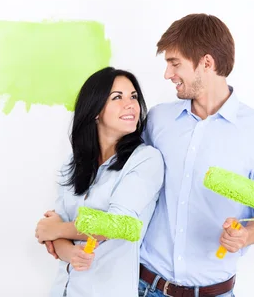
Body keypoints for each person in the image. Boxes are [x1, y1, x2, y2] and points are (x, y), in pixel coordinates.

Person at [137, 13, 254, 297]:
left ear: (207, 63)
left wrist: (246, 236)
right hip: (146, 286)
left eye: (174, 63)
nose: (167, 74)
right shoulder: (158, 120)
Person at [35, 67, 165, 297]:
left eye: (133, 96)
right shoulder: (72, 163)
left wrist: (55, 229)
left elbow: (117, 225)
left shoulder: (145, 160)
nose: (130, 104)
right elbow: (57, 231)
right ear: (95, 111)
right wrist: (66, 249)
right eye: (117, 97)